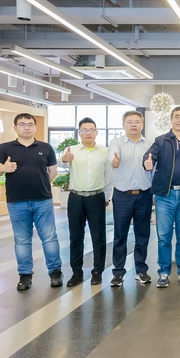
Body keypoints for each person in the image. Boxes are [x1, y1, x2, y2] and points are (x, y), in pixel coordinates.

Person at [0, 113, 62, 291]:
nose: (27, 127)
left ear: (35, 127)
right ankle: (25, 275)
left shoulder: (46, 148)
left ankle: (55, 273)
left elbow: (52, 172)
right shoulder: (5, 148)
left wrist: (41, 184)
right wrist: (4, 168)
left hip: (43, 200)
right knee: (22, 240)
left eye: (30, 124)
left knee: (49, 238)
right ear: (15, 128)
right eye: (22, 124)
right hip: (17, 202)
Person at [144, 106, 180, 288]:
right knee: (164, 237)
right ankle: (163, 273)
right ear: (171, 119)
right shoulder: (161, 140)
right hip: (165, 195)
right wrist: (147, 162)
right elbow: (149, 157)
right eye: (177, 116)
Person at [62, 117, 113, 287]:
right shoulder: (71, 150)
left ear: (96, 132)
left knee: (99, 237)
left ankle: (97, 272)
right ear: (80, 132)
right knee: (76, 237)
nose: (88, 133)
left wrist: (106, 196)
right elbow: (62, 164)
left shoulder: (105, 151)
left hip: (96, 197)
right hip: (75, 197)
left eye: (91, 129)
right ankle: (76, 273)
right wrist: (64, 159)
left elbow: (109, 176)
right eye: (85, 130)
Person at [107, 110, 153, 287]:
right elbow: (112, 155)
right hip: (122, 196)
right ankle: (118, 272)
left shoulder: (150, 145)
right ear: (123, 125)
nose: (133, 125)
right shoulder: (116, 143)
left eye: (137, 122)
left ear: (142, 124)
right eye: (129, 122)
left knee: (143, 235)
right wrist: (114, 161)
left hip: (144, 194)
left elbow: (155, 170)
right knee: (120, 235)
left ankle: (141, 270)